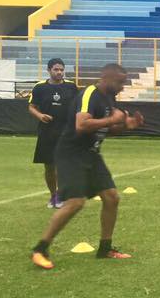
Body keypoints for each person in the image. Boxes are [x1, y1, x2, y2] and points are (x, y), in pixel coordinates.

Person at [31, 63, 143, 270]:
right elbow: (81, 125)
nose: (122, 86)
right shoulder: (89, 94)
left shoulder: (109, 98)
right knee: (75, 203)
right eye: (120, 82)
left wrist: (125, 125)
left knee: (111, 197)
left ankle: (105, 248)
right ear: (107, 78)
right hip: (71, 153)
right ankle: (40, 249)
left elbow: (106, 129)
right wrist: (112, 119)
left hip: (91, 154)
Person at [28, 58, 78, 209]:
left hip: (67, 132)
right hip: (47, 132)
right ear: (49, 70)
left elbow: (79, 106)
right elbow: (31, 107)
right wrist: (40, 116)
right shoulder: (39, 87)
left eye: (61, 69)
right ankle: (53, 196)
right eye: (56, 69)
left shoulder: (71, 87)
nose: (59, 72)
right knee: (49, 166)